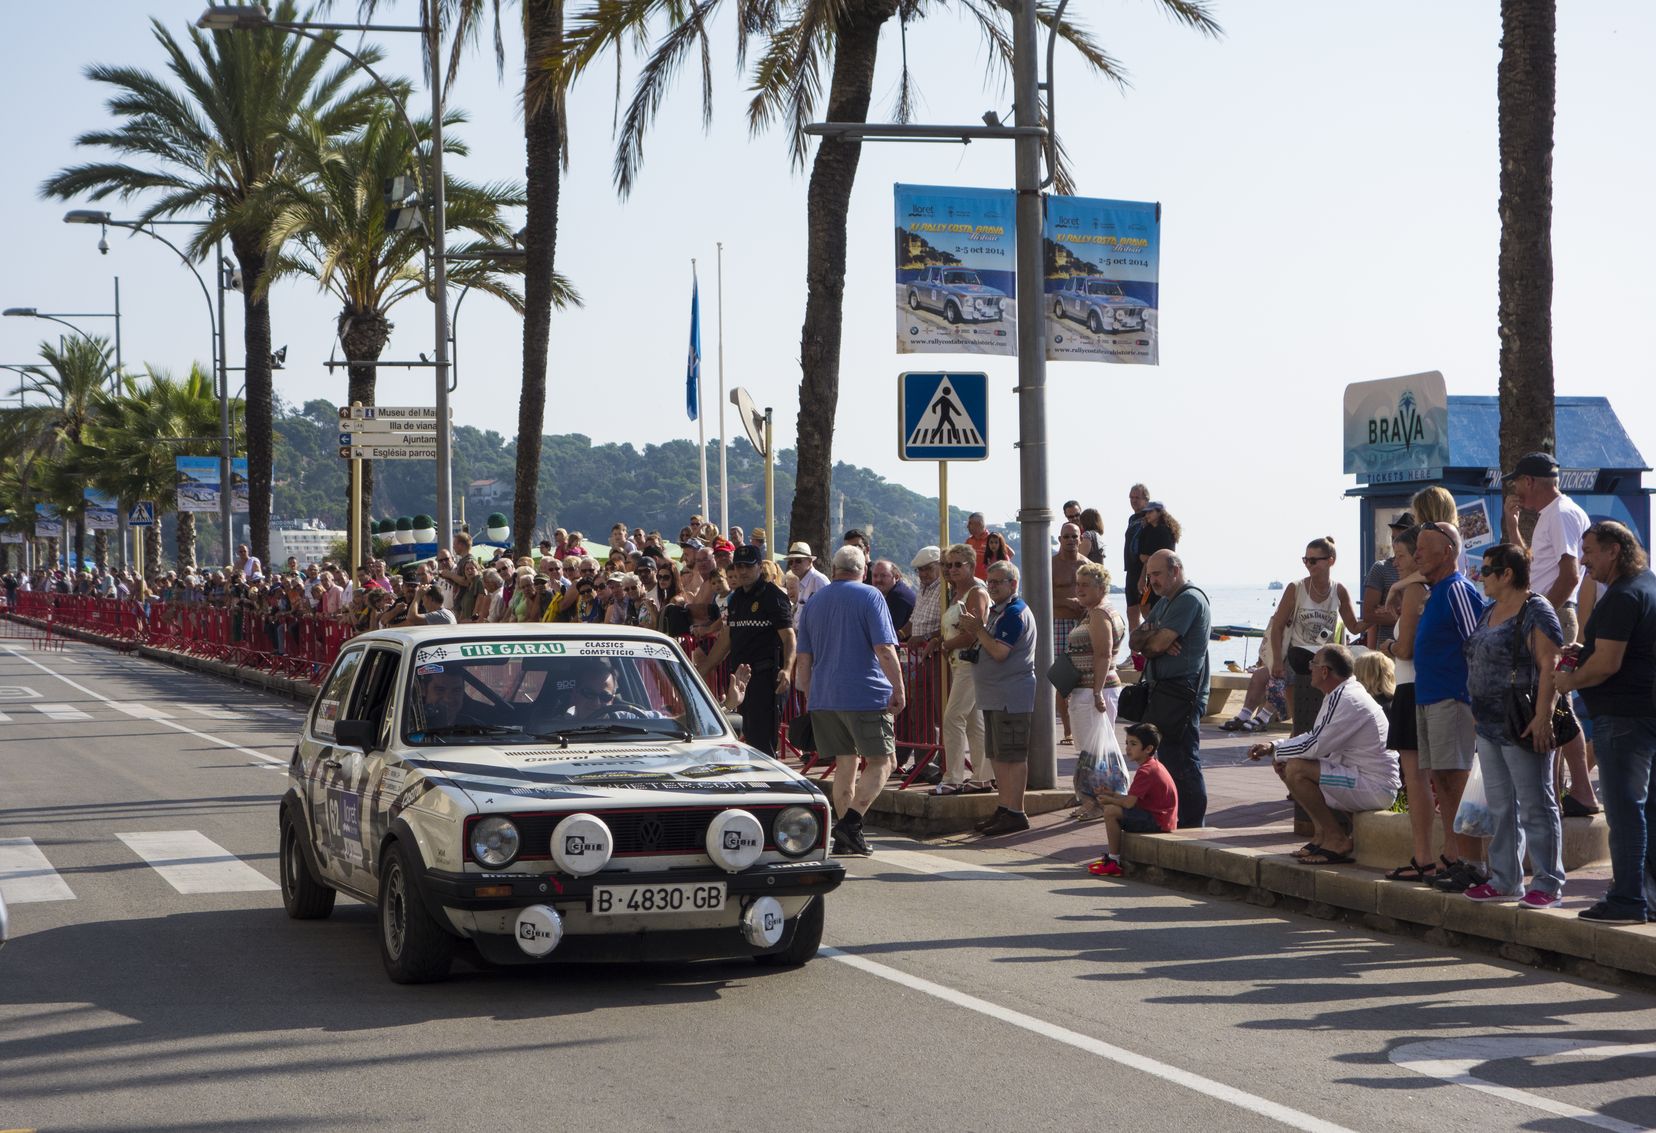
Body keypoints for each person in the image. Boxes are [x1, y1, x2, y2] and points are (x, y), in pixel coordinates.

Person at [1555, 521, 1656, 924]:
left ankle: (1627, 900)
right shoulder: (1648, 585)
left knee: (1625, 812)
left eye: (1590, 551)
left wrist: (1570, 680)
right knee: (1647, 810)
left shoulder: (1623, 595)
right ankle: (1646, 897)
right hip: (1644, 713)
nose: (1584, 561)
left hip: (1623, 718)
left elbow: (1608, 663)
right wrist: (1586, 650)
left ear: (1614, 550)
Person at [1462, 542, 1566, 908]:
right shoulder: (1488, 610)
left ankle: (1548, 882)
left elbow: (1551, 663)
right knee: (1502, 806)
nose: (1481, 577)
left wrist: (1543, 716)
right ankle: (1505, 879)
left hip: (1522, 722)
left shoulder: (1536, 610)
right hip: (1488, 724)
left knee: (1536, 803)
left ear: (1507, 574)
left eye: (1487, 570)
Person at [1503, 450, 1599, 817]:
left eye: (1518, 483)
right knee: (1554, 701)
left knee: (1556, 702)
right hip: (1553, 614)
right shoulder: (1553, 514)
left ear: (1529, 481)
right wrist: (1512, 525)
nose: (1516, 491)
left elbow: (1570, 574)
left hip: (1554, 616)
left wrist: (1539, 614)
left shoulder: (1559, 514)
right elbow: (1535, 567)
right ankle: (1565, 791)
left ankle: (1577, 791)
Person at [794, 545, 905, 857]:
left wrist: (809, 694)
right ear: (864, 570)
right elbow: (884, 649)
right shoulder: (871, 596)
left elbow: (804, 657)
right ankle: (851, 824)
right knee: (885, 762)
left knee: (846, 762)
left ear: (833, 570)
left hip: (824, 696)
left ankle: (846, 836)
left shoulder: (814, 602)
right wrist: (899, 688)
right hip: (865, 694)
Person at [1248, 645, 1400, 865]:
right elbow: (1315, 737)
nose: (1310, 668)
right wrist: (1276, 746)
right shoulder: (1340, 694)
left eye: (1314, 664)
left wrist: (1274, 749)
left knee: (1296, 769)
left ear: (1325, 671)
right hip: (1360, 777)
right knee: (1286, 765)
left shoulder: (1347, 698)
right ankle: (1322, 834)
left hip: (1375, 786)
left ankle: (1337, 839)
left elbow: (1316, 745)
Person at [1413, 521, 1492, 894]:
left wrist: (1476, 700)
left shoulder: (1457, 589)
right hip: (1429, 698)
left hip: (1453, 699)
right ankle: (1457, 858)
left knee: (1455, 779)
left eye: (1422, 547)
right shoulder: (1436, 592)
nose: (1416, 555)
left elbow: (1478, 643)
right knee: (1441, 780)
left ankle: (1475, 863)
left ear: (1447, 551)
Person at [1375, 524, 1440, 883]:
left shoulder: (1415, 590)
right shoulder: (1417, 588)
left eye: (1400, 555)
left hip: (1410, 687)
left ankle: (1423, 856)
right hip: (1416, 686)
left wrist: (1387, 646)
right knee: (1423, 779)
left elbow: (1406, 649)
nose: (1395, 562)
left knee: (1416, 780)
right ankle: (1431, 856)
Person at [1128, 550, 1211, 827]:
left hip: (1182, 693)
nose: (1152, 581)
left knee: (1183, 761)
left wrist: (1155, 640)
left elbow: (1155, 645)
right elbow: (1136, 641)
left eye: (1157, 574)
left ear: (1175, 570)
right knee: (1170, 759)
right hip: (1165, 691)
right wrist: (1155, 637)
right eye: (1149, 575)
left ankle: (1192, 824)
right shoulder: (1165, 602)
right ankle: (1179, 821)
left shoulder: (1189, 599)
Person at [958, 561, 1037, 835]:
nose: (990, 586)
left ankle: (1015, 811)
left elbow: (1000, 652)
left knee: (1012, 756)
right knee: (998, 756)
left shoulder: (1014, 613)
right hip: (996, 695)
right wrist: (978, 629)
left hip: (1010, 696)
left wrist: (978, 629)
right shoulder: (999, 611)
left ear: (1013, 584)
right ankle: (1005, 808)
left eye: (997, 582)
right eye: (989, 581)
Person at [697, 545, 796, 756]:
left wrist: (787, 669)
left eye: (748, 566)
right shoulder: (736, 598)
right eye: (738, 566)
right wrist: (701, 671)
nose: (742, 571)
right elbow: (727, 638)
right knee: (749, 738)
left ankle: (768, 777)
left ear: (759, 566)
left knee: (762, 743)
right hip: (741, 680)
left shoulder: (773, 597)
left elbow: (788, 637)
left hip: (766, 678)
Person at [1268, 536, 1364, 734]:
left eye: (1313, 560)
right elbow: (1277, 627)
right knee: (1300, 722)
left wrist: (1377, 616)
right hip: (1297, 659)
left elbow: (1354, 627)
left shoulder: (1339, 590)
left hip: (1325, 662)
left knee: (1322, 721)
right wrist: (1277, 660)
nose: (1308, 565)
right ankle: (1294, 750)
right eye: (1306, 560)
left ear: (1330, 561)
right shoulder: (1296, 588)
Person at [933, 543, 991, 795]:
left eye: (958, 564)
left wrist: (946, 645)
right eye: (948, 565)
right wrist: (941, 641)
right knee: (973, 722)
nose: (952, 569)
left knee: (953, 717)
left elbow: (973, 633)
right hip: (960, 664)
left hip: (971, 663)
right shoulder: (955, 594)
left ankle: (953, 778)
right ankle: (983, 776)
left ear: (971, 566)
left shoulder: (976, 592)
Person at [1087, 723, 1178, 877]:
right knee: (1113, 808)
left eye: (1134, 744)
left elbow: (1129, 803)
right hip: (1160, 818)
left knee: (1110, 811)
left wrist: (1109, 800)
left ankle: (1113, 861)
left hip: (1158, 821)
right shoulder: (1152, 765)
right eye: (1127, 743)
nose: (1128, 748)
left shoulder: (1146, 771)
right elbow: (1131, 799)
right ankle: (1113, 859)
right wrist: (1111, 794)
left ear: (1148, 749)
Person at [1052, 522, 1089, 745]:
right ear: (1060, 539)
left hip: (1083, 624)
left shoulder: (1087, 565)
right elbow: (1040, 595)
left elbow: (1098, 594)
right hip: (1059, 624)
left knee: (1084, 678)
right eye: (1066, 537)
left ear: (1080, 539)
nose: (1070, 540)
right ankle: (1067, 731)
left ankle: (1081, 727)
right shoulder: (1051, 565)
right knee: (1063, 679)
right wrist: (1066, 601)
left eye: (1074, 537)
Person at [1363, 511, 1414, 649]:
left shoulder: (1425, 573)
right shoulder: (1380, 568)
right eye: (1393, 538)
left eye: (1400, 538)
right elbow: (1368, 614)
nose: (1394, 543)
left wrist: (1391, 611)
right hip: (1385, 651)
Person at [1123, 484, 1151, 632]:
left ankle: (1152, 643)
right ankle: (1135, 646)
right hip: (1131, 569)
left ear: (1146, 499)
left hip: (1143, 569)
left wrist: (1144, 575)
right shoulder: (1132, 518)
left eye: (1137, 497)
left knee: (1146, 611)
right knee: (1131, 611)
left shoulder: (1149, 517)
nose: (1133, 501)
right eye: (1131, 497)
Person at [870, 559, 917, 633]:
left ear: (896, 577)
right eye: (875, 576)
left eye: (883, 576)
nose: (878, 580)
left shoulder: (897, 596)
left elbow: (889, 631)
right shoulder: (896, 590)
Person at [786, 542, 829, 610]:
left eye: (798, 561)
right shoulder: (801, 582)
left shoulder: (818, 580)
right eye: (790, 562)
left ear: (809, 561)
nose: (794, 565)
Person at [965, 513, 991, 580]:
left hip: (987, 581)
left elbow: (1009, 554)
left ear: (979, 524)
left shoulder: (992, 539)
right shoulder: (969, 540)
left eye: (970, 523)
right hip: (972, 580)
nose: (967, 526)